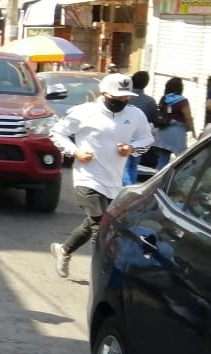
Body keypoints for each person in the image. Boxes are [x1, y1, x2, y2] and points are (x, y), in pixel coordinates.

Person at [49, 73, 154, 279]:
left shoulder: (135, 115)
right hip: (87, 178)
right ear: (104, 93)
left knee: (94, 222)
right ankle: (101, 276)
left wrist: (132, 148)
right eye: (117, 97)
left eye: (125, 97)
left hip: (113, 180)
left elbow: (147, 138)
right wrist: (75, 152)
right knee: (100, 225)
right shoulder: (84, 112)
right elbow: (56, 133)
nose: (122, 101)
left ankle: (64, 250)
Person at [150, 76, 195, 169]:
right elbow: (188, 117)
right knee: (183, 159)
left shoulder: (164, 99)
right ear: (180, 88)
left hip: (163, 131)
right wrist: (193, 131)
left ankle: (159, 180)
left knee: (163, 159)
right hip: (177, 133)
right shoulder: (182, 101)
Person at [124, 70, 158, 185]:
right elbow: (154, 120)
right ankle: (129, 189)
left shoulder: (125, 97)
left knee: (124, 166)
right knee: (133, 166)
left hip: (123, 136)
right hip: (139, 139)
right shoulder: (150, 101)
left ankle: (123, 191)